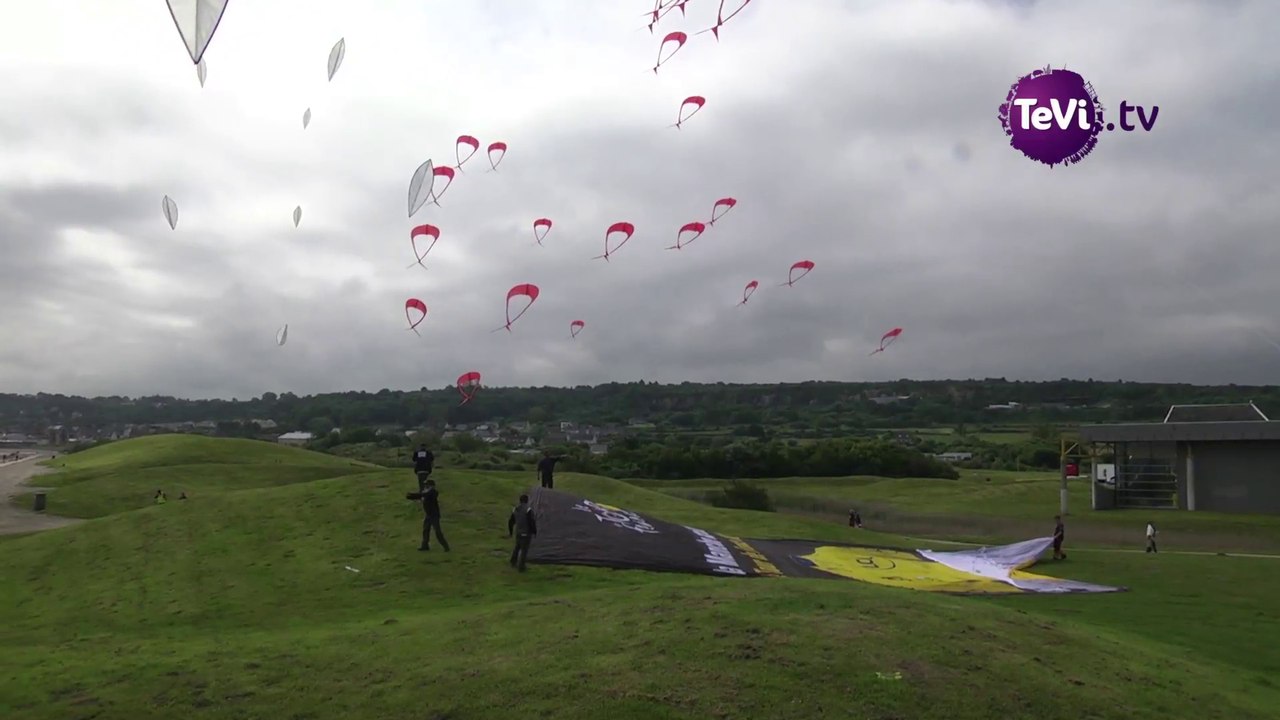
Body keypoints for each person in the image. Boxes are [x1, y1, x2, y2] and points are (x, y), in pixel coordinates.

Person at [405, 479, 450, 552]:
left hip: (434, 515)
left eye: (427, 484)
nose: (425, 486)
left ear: (432, 485)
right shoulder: (426, 492)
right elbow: (421, 496)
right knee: (425, 530)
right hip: (428, 515)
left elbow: (424, 495)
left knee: (437, 531)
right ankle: (425, 546)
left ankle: (446, 547)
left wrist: (412, 494)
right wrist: (410, 497)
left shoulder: (433, 492)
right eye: (425, 484)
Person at [508, 494, 538, 571]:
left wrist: (511, 532)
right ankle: (521, 567)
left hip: (518, 532)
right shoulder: (528, 510)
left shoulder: (516, 509)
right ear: (527, 500)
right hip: (526, 533)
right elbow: (531, 522)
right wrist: (534, 531)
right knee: (524, 550)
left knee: (517, 547)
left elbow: (511, 521)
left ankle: (513, 561)